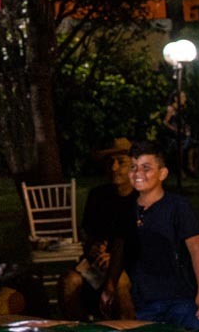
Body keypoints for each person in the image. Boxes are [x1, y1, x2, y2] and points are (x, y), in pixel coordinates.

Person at [103, 140, 199, 330]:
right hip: (145, 301)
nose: (138, 174)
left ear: (162, 173)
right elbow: (120, 247)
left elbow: (197, 249)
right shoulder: (126, 210)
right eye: (134, 168)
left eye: (146, 168)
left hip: (180, 299)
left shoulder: (177, 207)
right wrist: (110, 284)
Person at [57, 137, 136, 321]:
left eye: (121, 162)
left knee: (120, 281)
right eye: (110, 163)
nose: (114, 168)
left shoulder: (141, 199)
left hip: (131, 266)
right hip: (97, 267)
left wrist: (117, 259)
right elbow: (89, 235)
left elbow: (148, 244)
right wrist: (92, 248)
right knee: (69, 281)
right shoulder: (98, 196)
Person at [163, 90, 199, 177]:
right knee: (181, 146)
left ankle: (190, 166)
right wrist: (175, 129)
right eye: (183, 97)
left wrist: (186, 128)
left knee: (193, 144)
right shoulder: (171, 108)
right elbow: (165, 122)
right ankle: (180, 169)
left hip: (181, 133)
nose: (185, 99)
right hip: (172, 135)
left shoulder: (183, 108)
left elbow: (184, 121)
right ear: (176, 98)